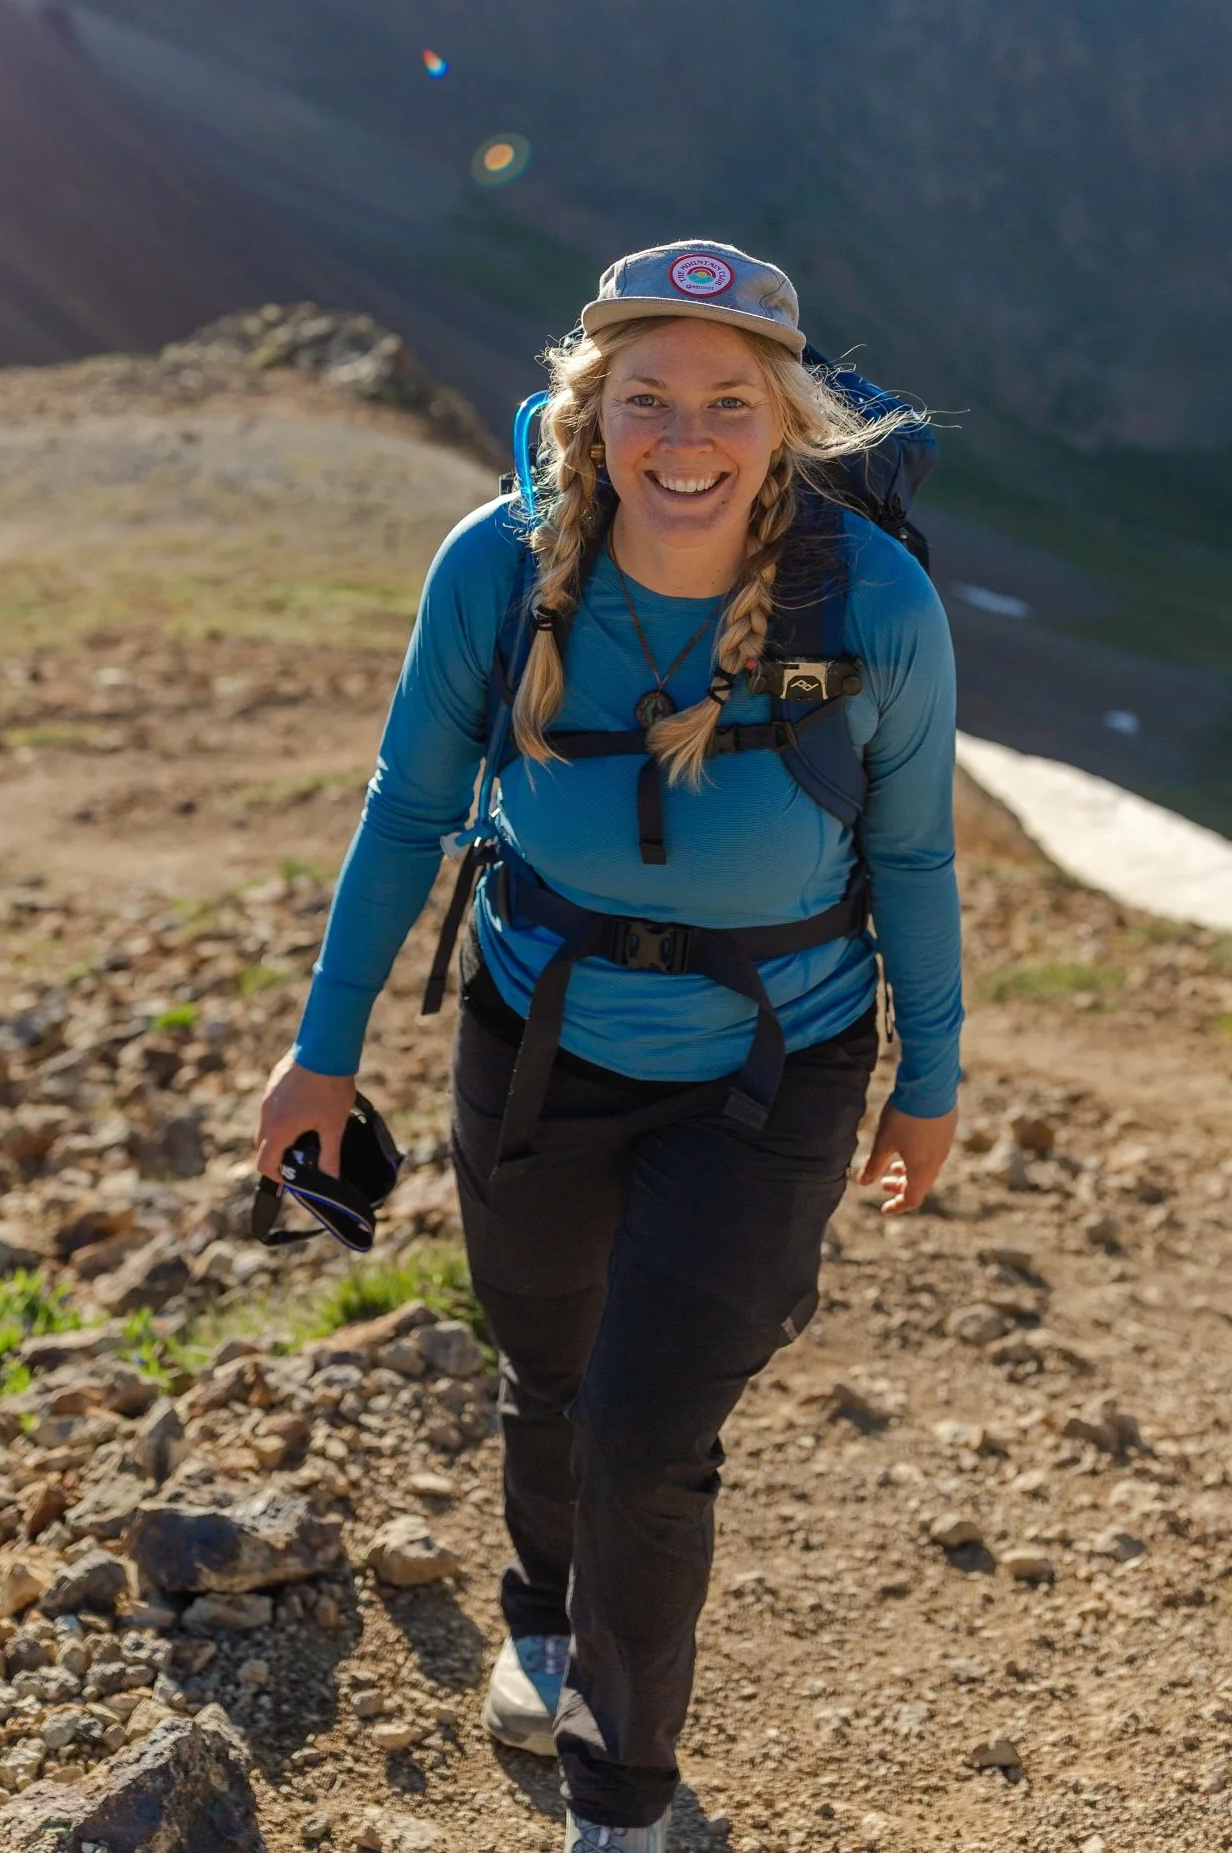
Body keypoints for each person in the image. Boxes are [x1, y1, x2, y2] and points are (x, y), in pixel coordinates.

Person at [256, 240, 962, 1853]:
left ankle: (619, 1805)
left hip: (774, 1067)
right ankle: (540, 1612)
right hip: (536, 1034)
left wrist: (931, 1079)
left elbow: (914, 856)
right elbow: (408, 813)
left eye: (729, 402)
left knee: (646, 1440)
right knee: (548, 1359)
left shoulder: (877, 602)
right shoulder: (497, 569)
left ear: (788, 424)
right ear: (592, 411)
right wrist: (322, 1052)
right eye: (647, 398)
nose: (685, 438)